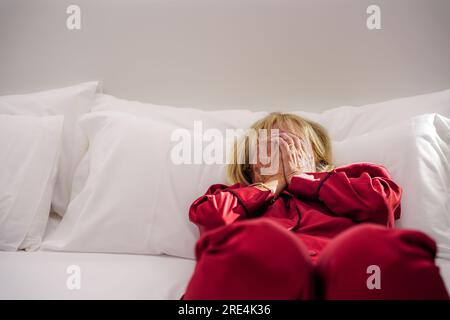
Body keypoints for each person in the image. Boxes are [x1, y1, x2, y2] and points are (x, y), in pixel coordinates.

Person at [182, 112, 449, 300]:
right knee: (257, 243)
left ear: (315, 153)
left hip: (348, 281)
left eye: (290, 142)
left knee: (373, 246)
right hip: (258, 289)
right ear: (251, 162)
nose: (281, 149)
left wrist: (304, 178)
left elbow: (380, 205)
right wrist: (271, 185)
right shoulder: (226, 196)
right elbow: (212, 222)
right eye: (270, 144)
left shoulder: (358, 178)